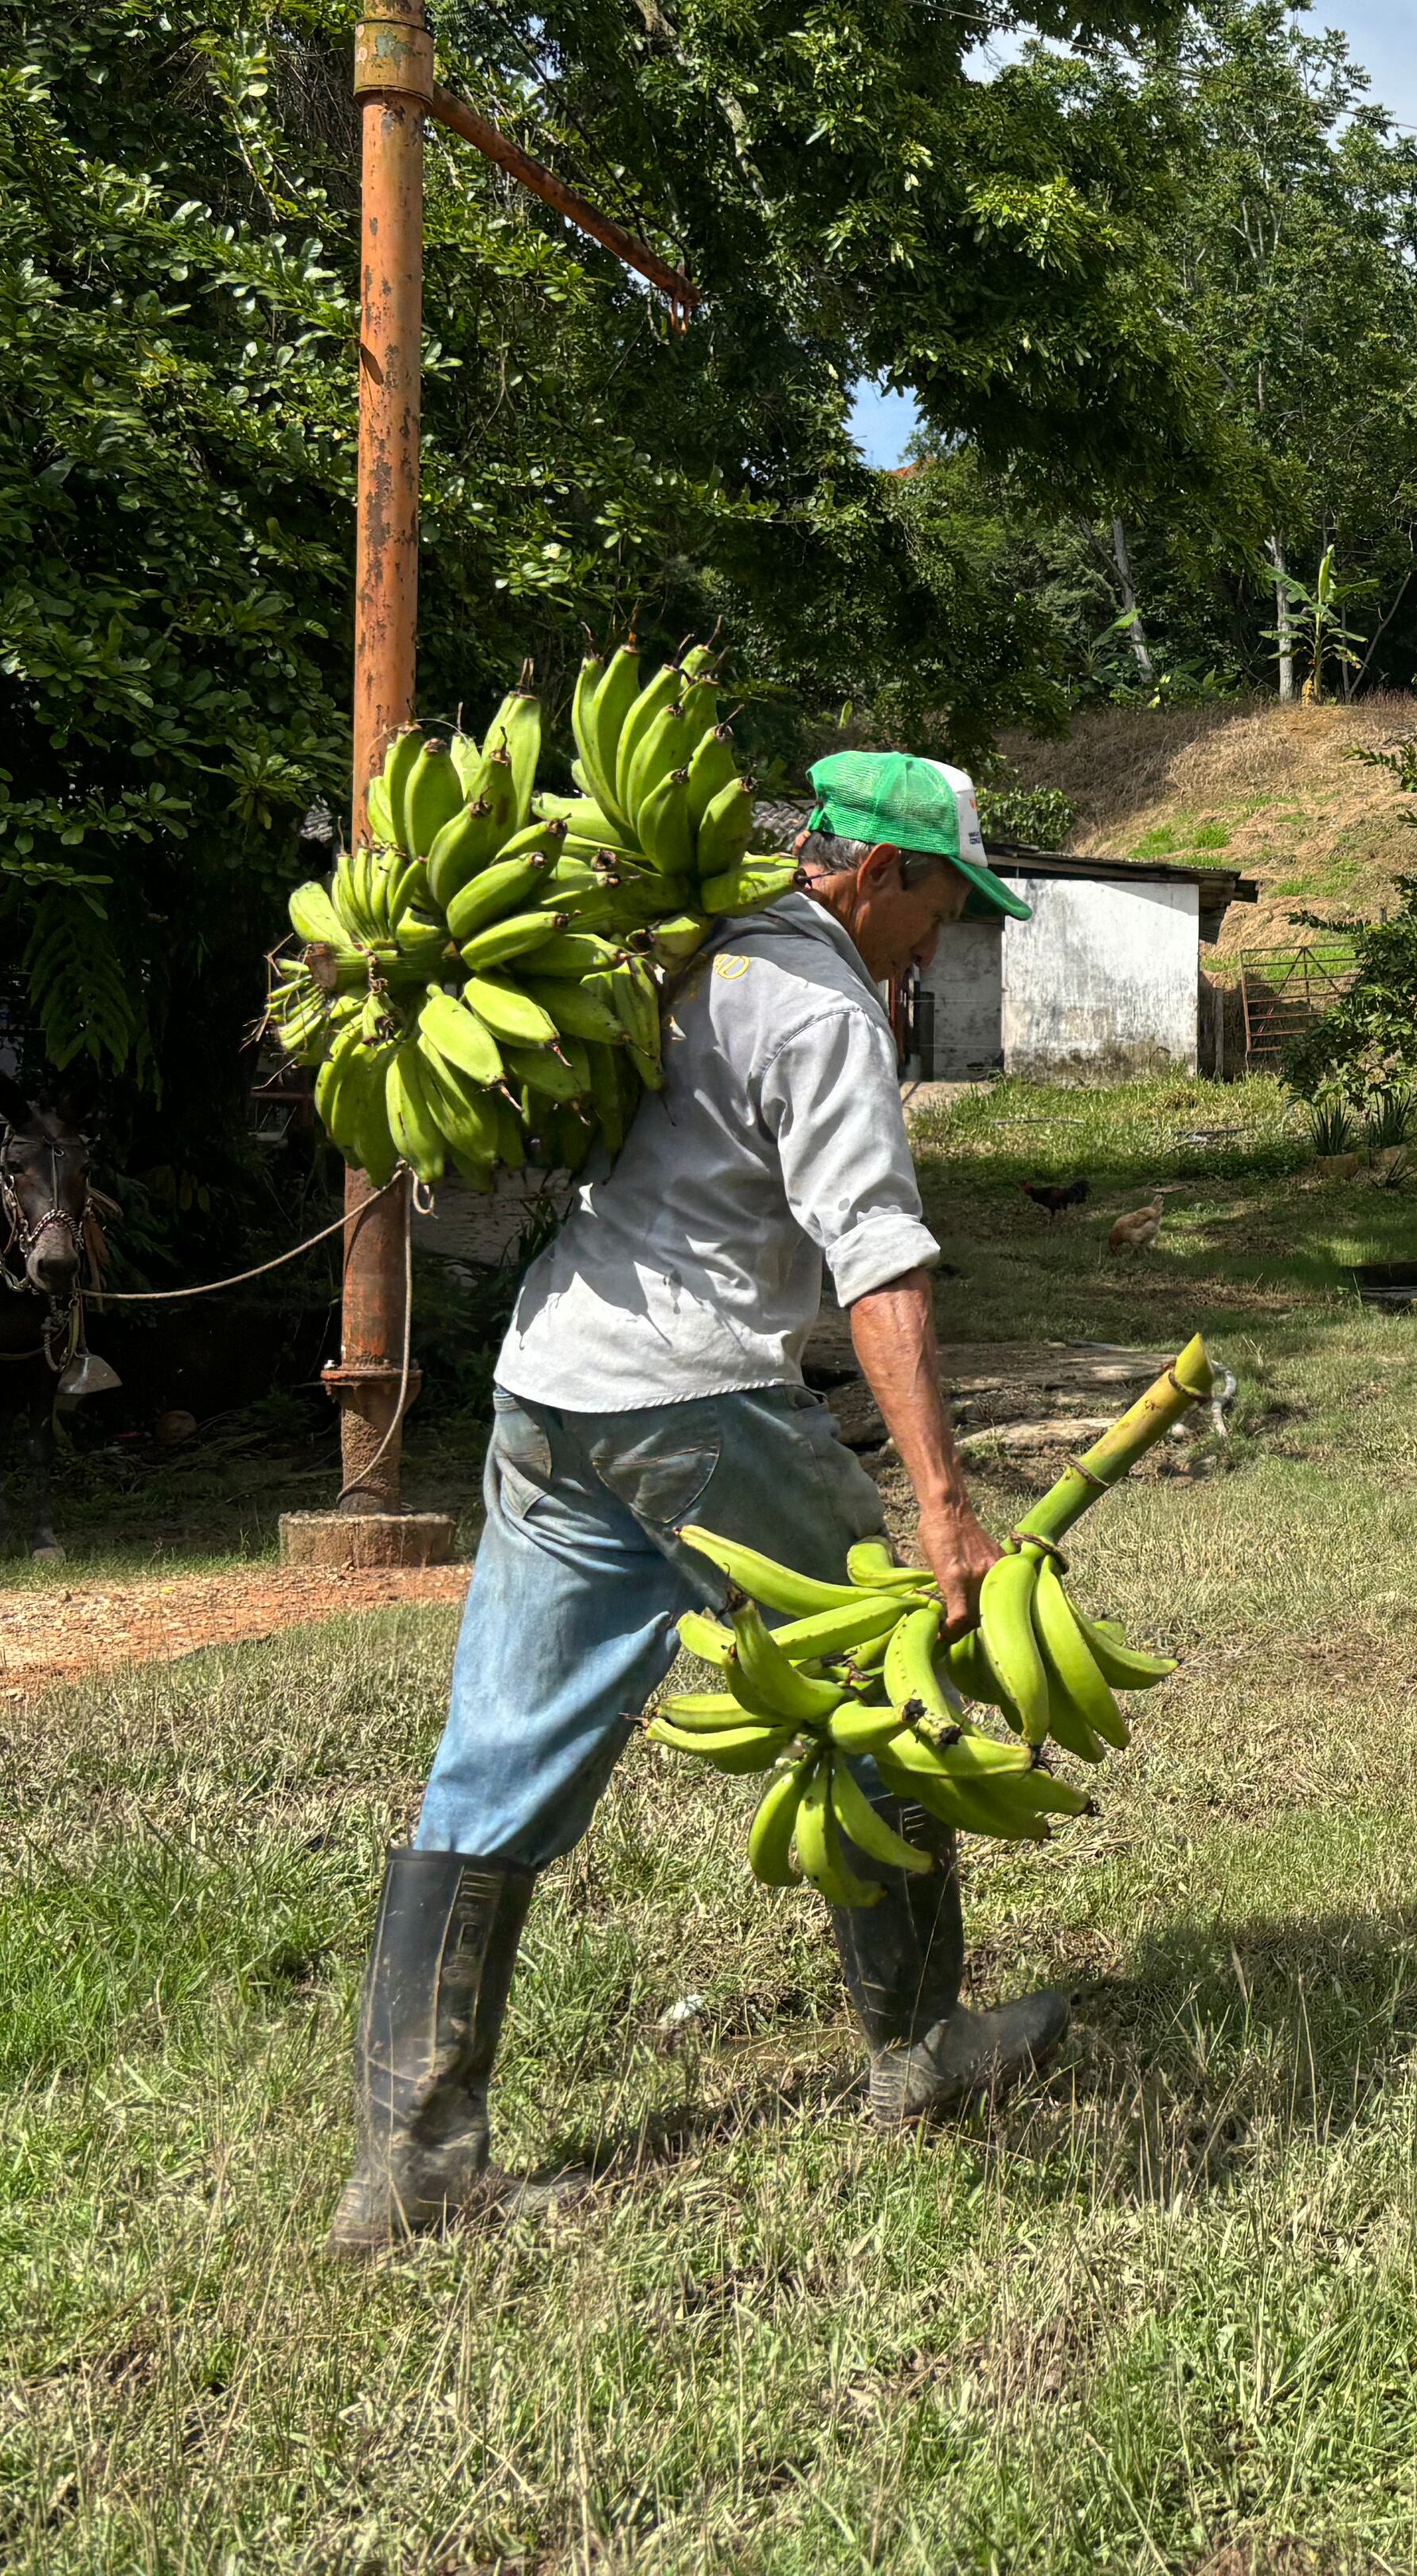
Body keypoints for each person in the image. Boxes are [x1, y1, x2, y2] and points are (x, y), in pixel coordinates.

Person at [331, 750, 1044, 2255]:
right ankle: (924, 2051)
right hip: (697, 1394)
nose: (941, 942)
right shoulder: (819, 1005)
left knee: (493, 1758)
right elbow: (878, 1258)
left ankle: (412, 2163)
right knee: (886, 1680)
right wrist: (943, 1503)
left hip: (551, 1384)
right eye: (943, 909)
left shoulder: (685, 949)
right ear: (878, 876)